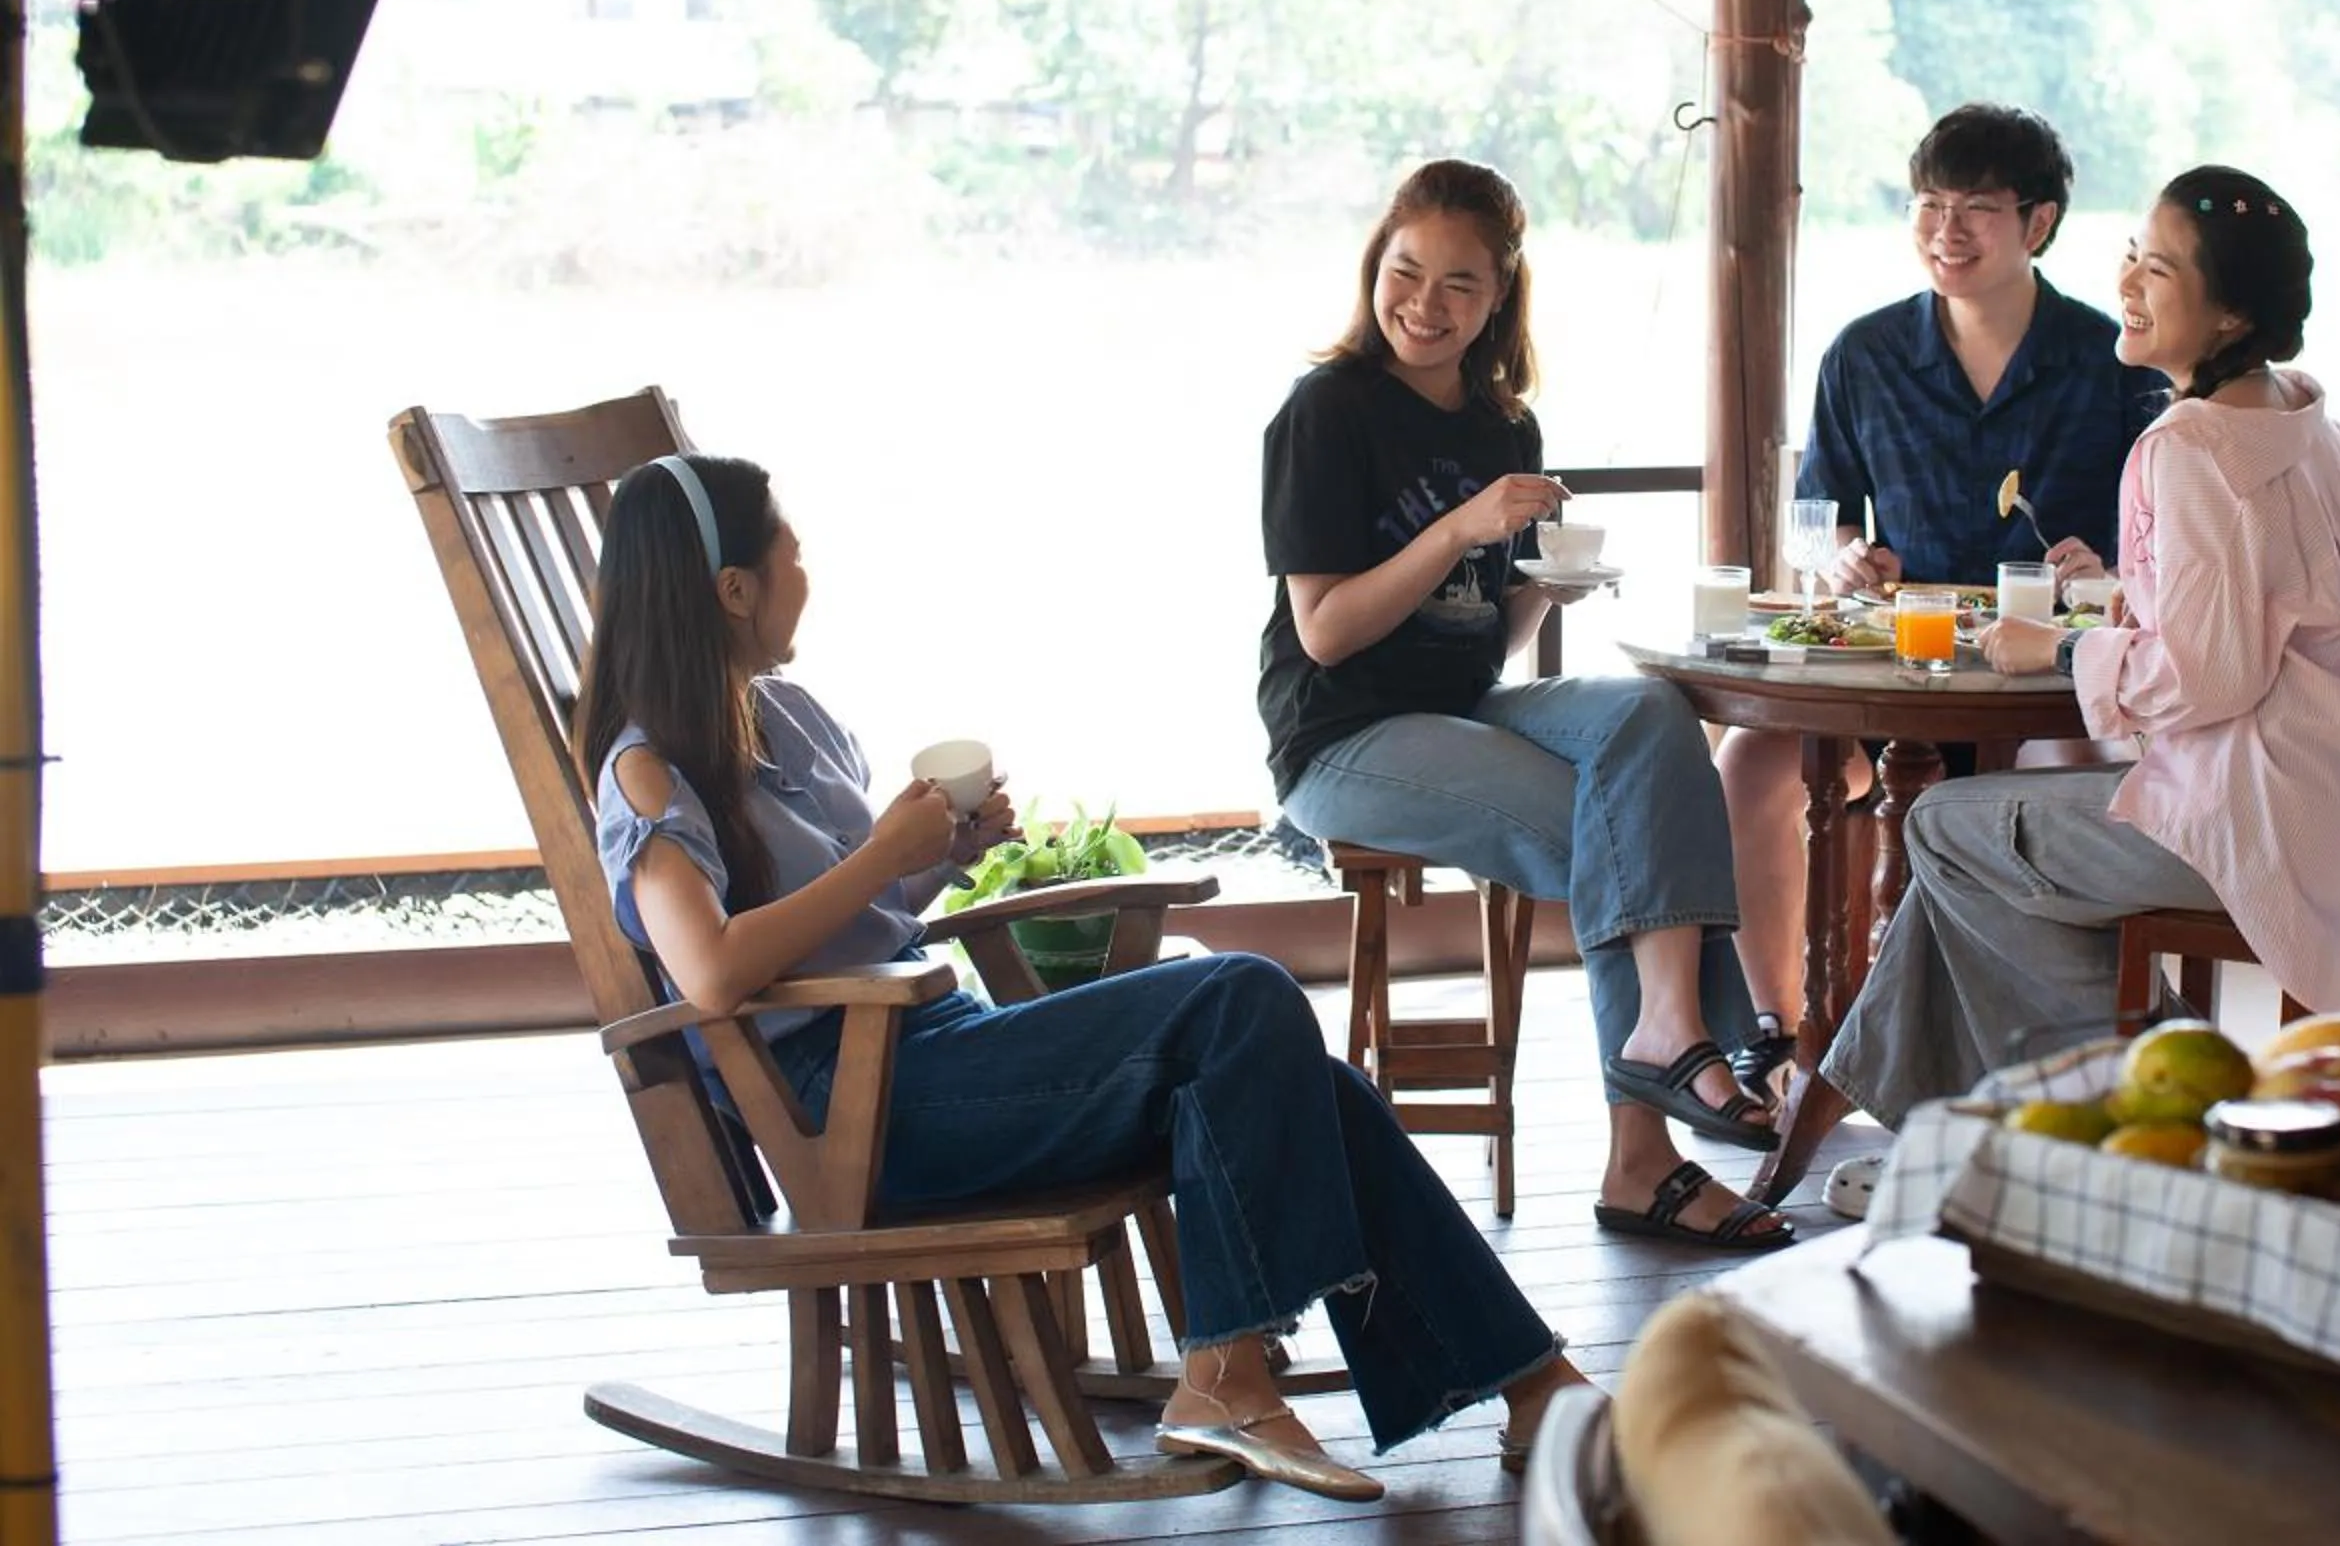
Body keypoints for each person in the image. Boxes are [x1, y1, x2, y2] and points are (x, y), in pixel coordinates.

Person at [580, 452, 1592, 1504]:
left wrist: (937, 854)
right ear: (732, 589)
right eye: (791, 551)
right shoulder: (646, 773)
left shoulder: (784, 717)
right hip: (852, 1112)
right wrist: (884, 856)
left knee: (1312, 1087)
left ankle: (1526, 1384)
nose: (805, 570)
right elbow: (710, 971)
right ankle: (1228, 1372)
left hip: (934, 1048)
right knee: (1242, 998)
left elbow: (851, 919)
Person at [1259, 157, 1793, 1252]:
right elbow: (1326, 631)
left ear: (1500, 295)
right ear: (1376, 265)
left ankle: (1669, 1047)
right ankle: (1661, 1118)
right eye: (1405, 272)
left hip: (1460, 707)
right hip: (1342, 736)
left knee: (1647, 717)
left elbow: (1482, 636)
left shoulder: (1505, 427)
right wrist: (1458, 528)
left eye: (1460, 284)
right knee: (1622, 833)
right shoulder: (1326, 413)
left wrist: (1540, 587)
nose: (1424, 304)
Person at [1820, 164, 2340, 1126]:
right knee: (1973, 867)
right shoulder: (2305, 420)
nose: (2125, 284)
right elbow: (2268, 609)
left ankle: (2166, 1100)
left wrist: (2063, 653)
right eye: (2131, 255)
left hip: (2252, 819)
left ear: (2232, 316)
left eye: (2157, 271)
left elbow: (2209, 672)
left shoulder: (2191, 445)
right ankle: (1937, 1132)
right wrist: (2124, 596)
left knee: (1945, 827)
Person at [1715, 105, 2169, 1089]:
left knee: (2077, 776)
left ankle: (2061, 1052)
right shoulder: (1865, 354)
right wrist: (1842, 561)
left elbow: (2165, 547)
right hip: (1901, 660)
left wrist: (2110, 575)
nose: (1945, 231)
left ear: (2038, 223)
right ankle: (1779, 1026)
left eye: (1977, 210)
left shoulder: (2113, 362)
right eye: (1929, 205)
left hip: (2054, 678)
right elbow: (1820, 519)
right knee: (1751, 760)